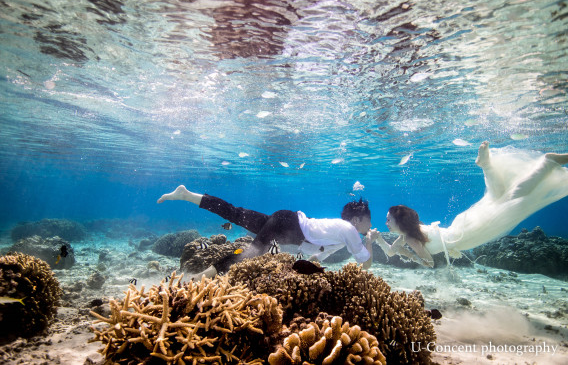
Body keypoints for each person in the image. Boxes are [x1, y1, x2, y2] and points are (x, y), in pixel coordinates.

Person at [375, 141, 568, 266]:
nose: (386, 223)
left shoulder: (409, 238)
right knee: (499, 197)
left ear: (400, 223)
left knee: (509, 201)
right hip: (461, 230)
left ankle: (546, 163)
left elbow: (429, 262)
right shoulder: (410, 233)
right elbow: (391, 252)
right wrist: (378, 239)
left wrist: (410, 255)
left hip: (466, 234)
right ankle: (488, 165)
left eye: (388, 220)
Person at [157, 188, 378, 275]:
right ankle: (200, 278)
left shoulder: (340, 234)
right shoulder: (349, 229)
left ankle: (187, 195)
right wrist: (370, 240)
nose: (370, 226)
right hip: (286, 224)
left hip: (285, 219)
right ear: (357, 220)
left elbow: (315, 256)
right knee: (250, 254)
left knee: (234, 213)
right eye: (369, 222)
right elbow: (365, 264)